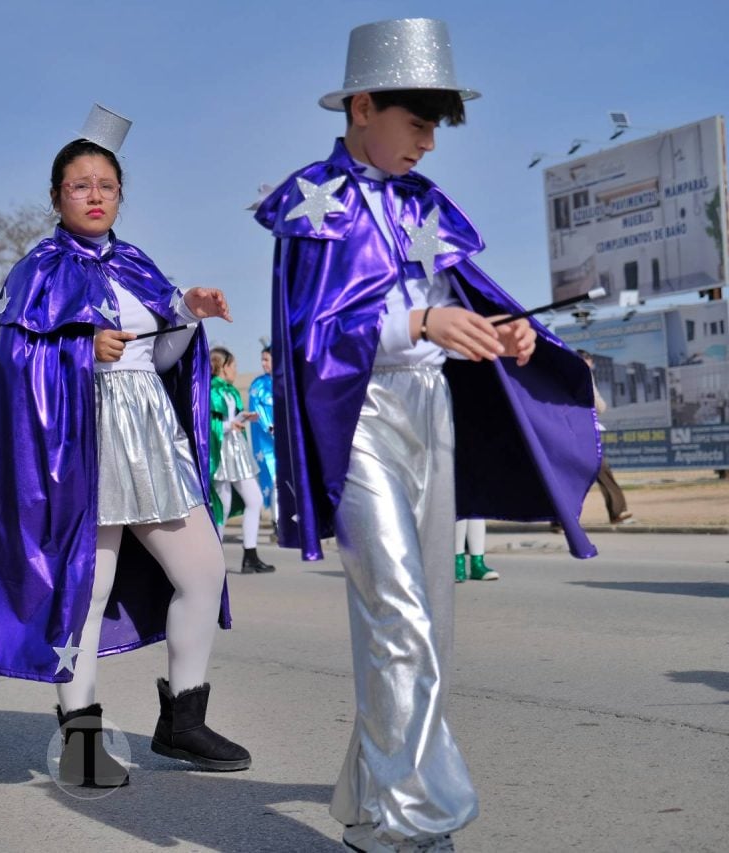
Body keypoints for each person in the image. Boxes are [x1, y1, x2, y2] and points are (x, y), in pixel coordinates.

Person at [253, 19, 600, 851]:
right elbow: (312, 339)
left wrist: (505, 333)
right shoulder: (316, 204)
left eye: (438, 125)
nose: (430, 143)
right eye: (418, 122)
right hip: (360, 420)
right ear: (363, 106)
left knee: (425, 623)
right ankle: (419, 823)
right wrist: (420, 320)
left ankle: (370, 800)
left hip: (429, 414)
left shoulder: (424, 205)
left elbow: (458, 298)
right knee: (401, 614)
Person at [0, 105, 249, 789]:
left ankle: (182, 717)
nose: (96, 194)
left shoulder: (136, 263)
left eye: (107, 184)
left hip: (150, 434)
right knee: (87, 588)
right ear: (56, 197)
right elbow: (14, 359)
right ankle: (80, 737)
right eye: (81, 184)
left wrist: (187, 310)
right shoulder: (36, 269)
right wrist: (78, 348)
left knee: (203, 569)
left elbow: (160, 354)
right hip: (81, 440)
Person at [209, 347, 274, 574]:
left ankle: (250, 554)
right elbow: (207, 424)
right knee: (222, 506)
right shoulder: (211, 391)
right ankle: (212, 559)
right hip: (220, 452)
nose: (236, 370)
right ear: (222, 366)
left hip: (236, 451)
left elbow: (228, 417)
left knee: (254, 499)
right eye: (233, 366)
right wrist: (230, 424)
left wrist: (240, 418)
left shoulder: (230, 391)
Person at [579, 350, 634, 525]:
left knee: (571, 477)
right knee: (602, 470)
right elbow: (599, 406)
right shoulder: (584, 376)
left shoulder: (559, 377)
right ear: (587, 361)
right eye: (589, 361)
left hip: (569, 433)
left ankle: (560, 520)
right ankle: (617, 512)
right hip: (584, 434)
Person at [247, 343, 277, 531]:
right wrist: (271, 428)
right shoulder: (258, 385)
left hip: (289, 443)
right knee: (274, 480)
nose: (263, 363)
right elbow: (255, 410)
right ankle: (277, 521)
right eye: (262, 359)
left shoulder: (288, 381)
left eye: (266, 359)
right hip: (267, 445)